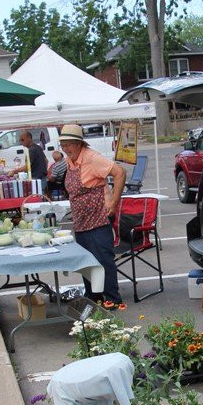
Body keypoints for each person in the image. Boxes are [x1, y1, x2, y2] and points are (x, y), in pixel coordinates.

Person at [60, 124, 125, 304]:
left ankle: (112, 299)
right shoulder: (70, 160)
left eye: (68, 145)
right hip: (81, 219)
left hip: (99, 217)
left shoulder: (91, 158)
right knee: (86, 261)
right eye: (63, 145)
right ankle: (94, 298)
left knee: (103, 260)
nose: (65, 149)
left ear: (79, 143)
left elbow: (120, 172)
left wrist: (114, 202)